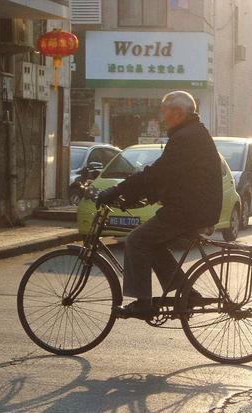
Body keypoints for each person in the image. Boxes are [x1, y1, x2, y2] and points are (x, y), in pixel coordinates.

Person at [96, 91, 223, 319]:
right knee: (153, 244)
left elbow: (156, 173)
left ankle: (143, 303)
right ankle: (187, 294)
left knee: (136, 240)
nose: (163, 116)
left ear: (179, 113)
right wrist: (135, 196)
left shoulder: (186, 137)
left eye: (165, 111)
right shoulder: (191, 133)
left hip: (189, 209)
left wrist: (117, 190)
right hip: (193, 206)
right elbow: (170, 176)